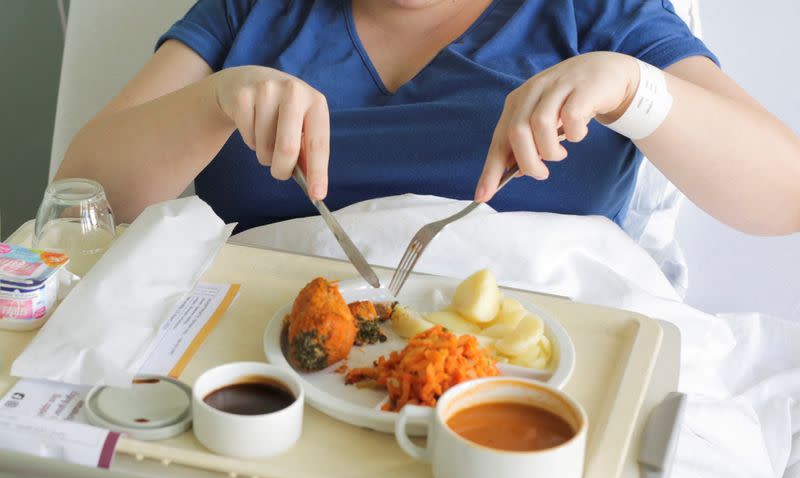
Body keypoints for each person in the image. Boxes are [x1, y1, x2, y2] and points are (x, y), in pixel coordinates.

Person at [55, 0, 800, 236]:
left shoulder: (598, 11)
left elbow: (785, 195)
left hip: (542, 380)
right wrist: (212, 102)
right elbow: (81, 200)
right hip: (268, 382)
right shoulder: (251, 10)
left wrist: (633, 88)